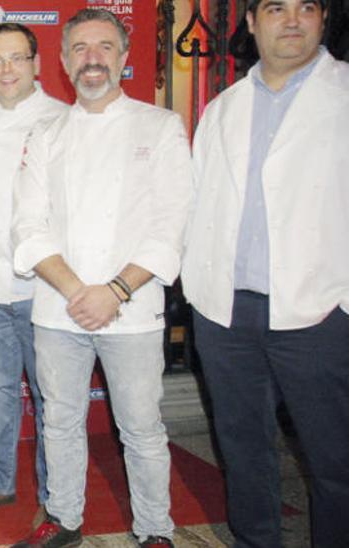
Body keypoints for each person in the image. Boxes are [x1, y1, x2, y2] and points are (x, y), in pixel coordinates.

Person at [9, 8, 191, 548]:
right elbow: (27, 224)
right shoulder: (47, 133)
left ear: (124, 57)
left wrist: (113, 291)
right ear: (64, 62)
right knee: (60, 423)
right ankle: (63, 519)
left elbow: (171, 222)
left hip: (132, 310)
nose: (93, 59)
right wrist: (78, 292)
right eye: (81, 49)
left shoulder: (160, 127)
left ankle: (155, 530)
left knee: (141, 430)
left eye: (105, 47)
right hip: (59, 309)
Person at [183, 1, 349, 546]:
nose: (293, 21)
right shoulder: (222, 107)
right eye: (276, 8)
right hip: (227, 313)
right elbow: (199, 204)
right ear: (251, 22)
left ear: (325, 19)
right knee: (242, 448)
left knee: (334, 459)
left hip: (319, 312)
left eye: (307, 7)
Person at [0, 23, 66, 523]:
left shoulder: (60, 120)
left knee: (50, 395)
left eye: (17, 58)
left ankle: (54, 489)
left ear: (37, 65)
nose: (6, 69)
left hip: (42, 287)